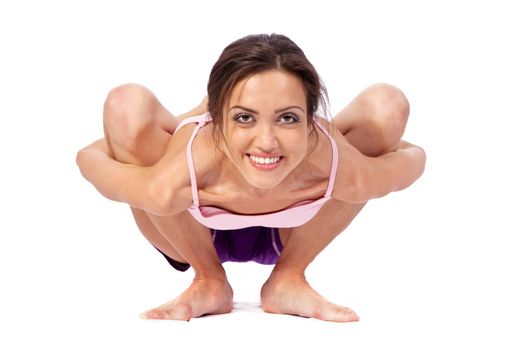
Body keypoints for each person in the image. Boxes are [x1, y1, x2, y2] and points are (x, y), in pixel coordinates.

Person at [76, 33, 426, 322]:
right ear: (216, 119)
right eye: (244, 118)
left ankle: (288, 278)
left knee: (388, 104)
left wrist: (355, 155)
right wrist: (99, 151)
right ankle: (208, 279)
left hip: (292, 235)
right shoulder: (182, 171)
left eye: (288, 119)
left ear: (311, 120)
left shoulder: (336, 162)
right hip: (189, 234)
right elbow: (90, 163)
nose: (267, 142)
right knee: (125, 102)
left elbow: (414, 163)